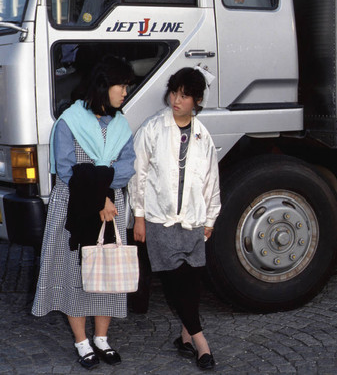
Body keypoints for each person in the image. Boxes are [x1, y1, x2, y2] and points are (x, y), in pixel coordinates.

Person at [32, 56, 136, 370]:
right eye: (122, 86)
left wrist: (102, 187)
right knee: (74, 272)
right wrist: (101, 194)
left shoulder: (121, 124)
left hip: (110, 207)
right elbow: (66, 170)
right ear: (104, 86)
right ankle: (81, 341)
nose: (125, 93)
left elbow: (127, 168)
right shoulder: (70, 121)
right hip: (73, 206)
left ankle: (102, 338)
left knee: (107, 271)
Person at [128, 66, 221, 371]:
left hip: (193, 219)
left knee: (192, 281)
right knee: (175, 281)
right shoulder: (152, 128)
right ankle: (202, 343)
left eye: (184, 95)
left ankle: (184, 338)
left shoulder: (202, 135)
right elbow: (137, 176)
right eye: (174, 92)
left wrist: (210, 219)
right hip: (159, 219)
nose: (176, 100)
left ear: (197, 100)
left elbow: (211, 180)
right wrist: (139, 217)